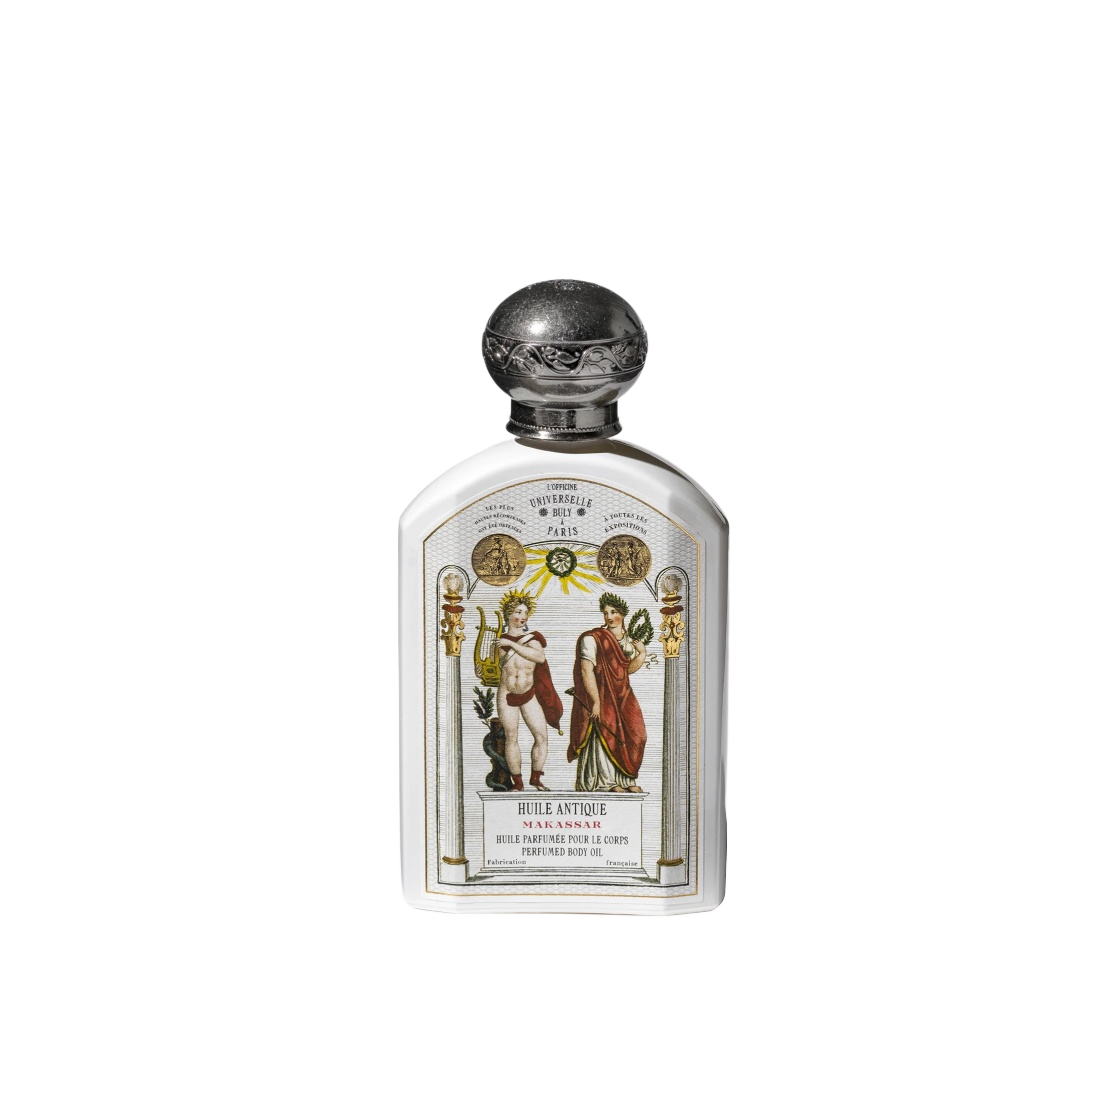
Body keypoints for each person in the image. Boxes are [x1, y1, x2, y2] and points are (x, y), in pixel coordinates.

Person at [568, 592, 647, 793]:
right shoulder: (592, 638)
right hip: (601, 693)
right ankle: (604, 781)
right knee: (606, 730)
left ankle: (625, 780)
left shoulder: (629, 640)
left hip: (622, 693)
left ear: (623, 614)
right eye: (606, 613)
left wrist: (642, 653)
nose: (609, 617)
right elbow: (586, 670)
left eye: (613, 612)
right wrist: (596, 701)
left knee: (636, 734)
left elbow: (625, 670)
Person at [496, 589, 562, 791]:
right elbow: (494, 666)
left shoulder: (533, 639)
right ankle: (518, 783)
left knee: (541, 736)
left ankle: (536, 778)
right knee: (511, 737)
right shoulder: (499, 641)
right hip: (506, 693)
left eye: (525, 613)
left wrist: (511, 644)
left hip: (529, 694)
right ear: (508, 614)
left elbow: (539, 658)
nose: (523, 616)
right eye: (518, 612)